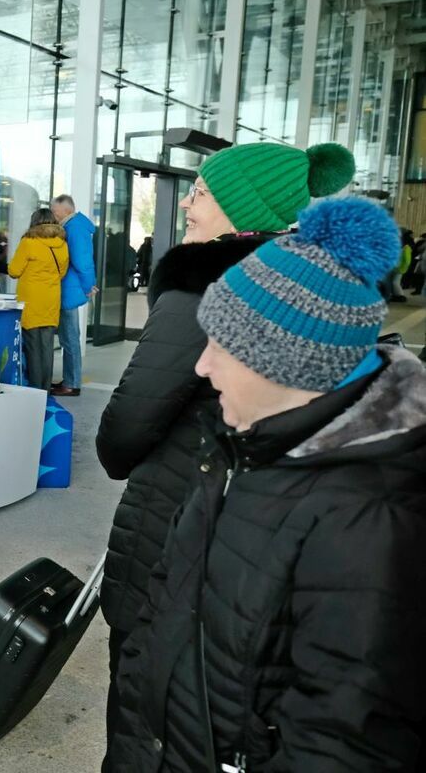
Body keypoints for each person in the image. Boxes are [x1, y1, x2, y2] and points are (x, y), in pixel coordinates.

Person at [106, 195, 426, 771]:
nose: (202, 368)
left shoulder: (372, 520)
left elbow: (343, 741)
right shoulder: (237, 444)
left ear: (289, 365)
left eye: (221, 347)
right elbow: (162, 610)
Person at [95, 141, 355, 770]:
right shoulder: (308, 291)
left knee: (144, 687)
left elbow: (125, 429)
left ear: (243, 208)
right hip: (255, 536)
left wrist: (120, 449)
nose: (187, 201)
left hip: (175, 516)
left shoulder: (200, 291)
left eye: (203, 192)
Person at [7, 207, 68, 390]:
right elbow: (62, 273)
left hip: (31, 299)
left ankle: (36, 390)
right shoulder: (62, 243)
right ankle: (46, 387)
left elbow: (14, 271)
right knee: (47, 346)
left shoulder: (29, 242)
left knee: (32, 346)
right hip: (51, 298)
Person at [49, 194, 97, 397]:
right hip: (70, 288)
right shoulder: (73, 225)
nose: (53, 213)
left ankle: (71, 383)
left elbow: (82, 260)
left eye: (54, 210)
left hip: (70, 290)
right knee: (70, 338)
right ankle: (71, 379)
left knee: (69, 339)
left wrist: (89, 286)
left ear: (65, 210)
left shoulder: (74, 228)